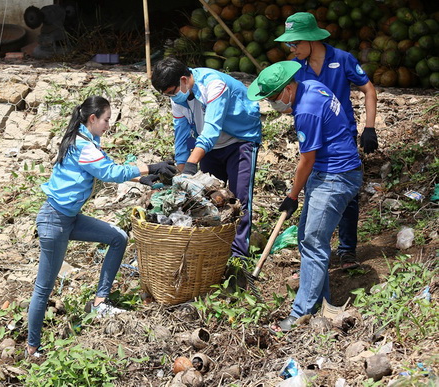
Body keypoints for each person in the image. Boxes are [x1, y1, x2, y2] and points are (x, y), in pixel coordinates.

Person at [26, 96, 176, 356]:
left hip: (69, 218)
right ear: (93, 118)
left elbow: (103, 170)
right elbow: (111, 173)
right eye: (106, 119)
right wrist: (150, 166)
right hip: (54, 221)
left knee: (118, 238)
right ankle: (32, 347)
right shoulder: (83, 145)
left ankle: (100, 302)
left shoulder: (87, 139)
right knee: (43, 288)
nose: (108, 125)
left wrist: (143, 178)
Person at [247, 61, 363, 332]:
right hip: (330, 170)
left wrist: (292, 195)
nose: (275, 104)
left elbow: (306, 160)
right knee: (307, 238)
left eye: (275, 98)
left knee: (313, 241)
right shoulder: (311, 86)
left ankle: (301, 312)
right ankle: (323, 303)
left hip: (335, 175)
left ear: (288, 88)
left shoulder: (307, 111)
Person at [275, 12, 378, 270]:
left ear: (311, 39)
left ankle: (347, 250)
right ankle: (317, 250)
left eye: (295, 43)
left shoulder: (342, 59)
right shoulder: (297, 69)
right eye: (289, 44)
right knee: (316, 189)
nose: (292, 48)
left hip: (342, 135)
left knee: (347, 195)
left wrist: (369, 127)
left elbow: (369, 89)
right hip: (314, 138)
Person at [151, 57, 262, 259]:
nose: (172, 97)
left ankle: (238, 254)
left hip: (239, 141)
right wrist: (182, 173)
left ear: (184, 80)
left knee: (240, 198)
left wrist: (192, 164)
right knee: (206, 199)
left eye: (172, 92)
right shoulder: (179, 98)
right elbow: (182, 136)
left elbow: (211, 130)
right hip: (209, 148)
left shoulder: (214, 85)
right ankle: (214, 248)